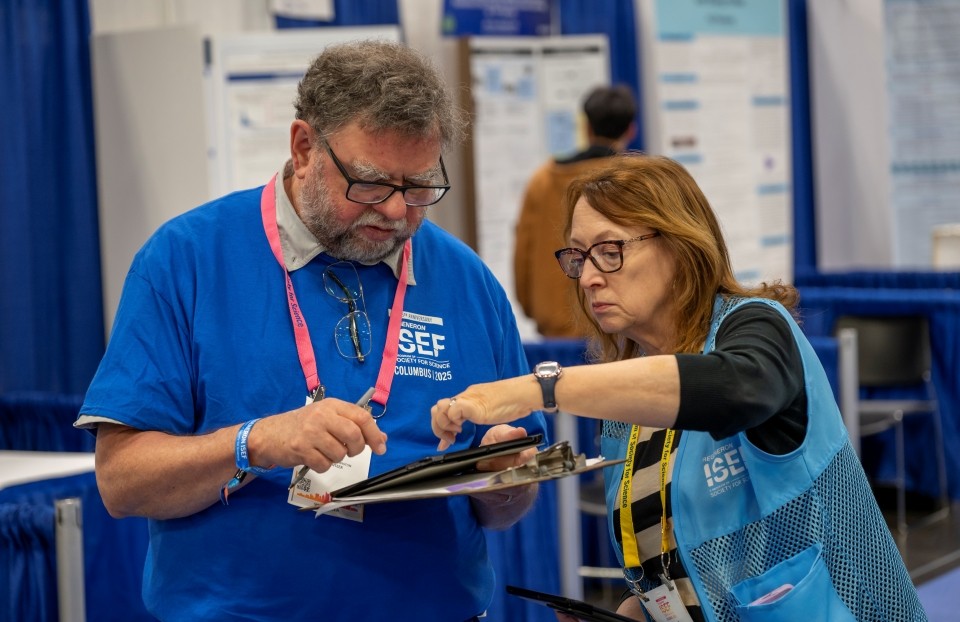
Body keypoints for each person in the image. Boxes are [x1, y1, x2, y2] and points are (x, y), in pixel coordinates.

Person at [76, 40, 547, 622]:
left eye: (420, 186)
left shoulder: (467, 280)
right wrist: (254, 443)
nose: (399, 212)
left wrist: (506, 483)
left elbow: (504, 506)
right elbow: (122, 483)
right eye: (372, 184)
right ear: (304, 147)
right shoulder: (187, 260)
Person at [433, 154, 928, 621]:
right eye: (578, 257)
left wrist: (539, 389)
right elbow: (674, 561)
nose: (587, 278)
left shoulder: (755, 326)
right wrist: (636, 610)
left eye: (609, 252)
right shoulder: (626, 398)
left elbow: (733, 390)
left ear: (680, 242)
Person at [513, 84, 637, 338]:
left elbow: (522, 258)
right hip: (621, 335)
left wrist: (536, 309)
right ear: (631, 130)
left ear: (586, 127)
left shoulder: (542, 180)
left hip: (555, 335)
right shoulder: (636, 181)